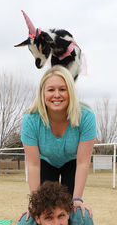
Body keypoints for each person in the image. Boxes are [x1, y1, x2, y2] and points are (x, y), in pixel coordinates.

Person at [21, 65, 96, 216]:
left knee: (69, 209)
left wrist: (77, 199)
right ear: (42, 93)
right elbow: (33, 164)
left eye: (62, 89)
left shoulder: (86, 116)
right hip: (45, 162)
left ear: (70, 91)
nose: (56, 95)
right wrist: (34, 204)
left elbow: (83, 162)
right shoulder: (30, 119)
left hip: (72, 162)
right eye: (50, 90)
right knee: (44, 209)